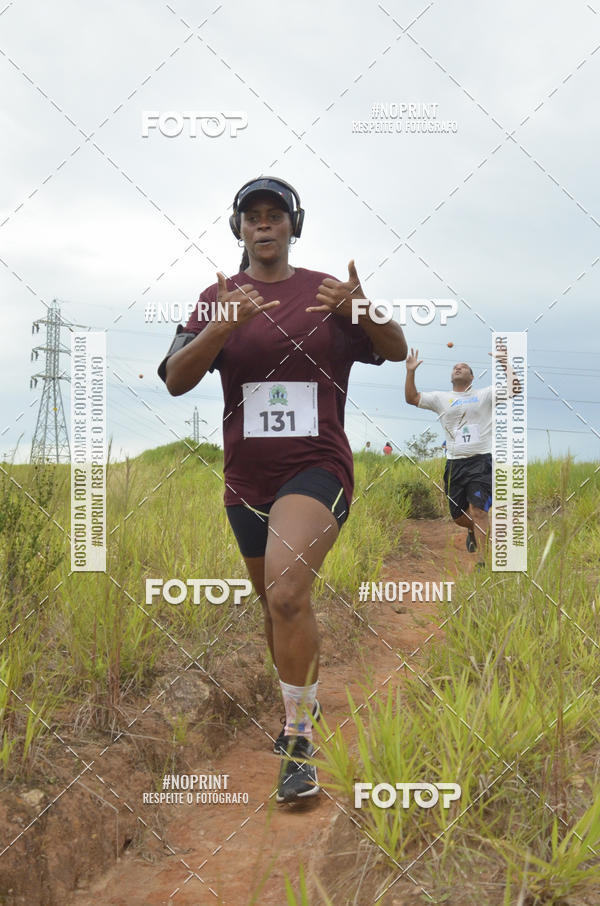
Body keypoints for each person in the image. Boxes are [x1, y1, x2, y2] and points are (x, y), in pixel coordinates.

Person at [158, 176, 407, 803]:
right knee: (275, 606)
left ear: (294, 226)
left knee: (290, 593)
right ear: (239, 229)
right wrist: (219, 330)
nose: (264, 225)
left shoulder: (327, 293)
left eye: (276, 216)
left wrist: (364, 310)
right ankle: (305, 701)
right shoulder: (216, 297)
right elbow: (173, 379)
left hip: (318, 467)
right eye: (252, 218)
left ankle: (298, 740)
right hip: (246, 480)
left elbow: (399, 347)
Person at [404, 347, 518, 565]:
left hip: (480, 461)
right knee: (459, 517)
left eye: (464, 367)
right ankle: (473, 530)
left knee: (479, 511)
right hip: (455, 464)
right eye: (455, 367)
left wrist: (504, 361)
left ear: (472, 376)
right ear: (451, 377)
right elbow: (411, 398)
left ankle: (483, 563)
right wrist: (410, 371)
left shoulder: (484, 395)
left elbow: (514, 388)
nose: (458, 368)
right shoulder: (440, 398)